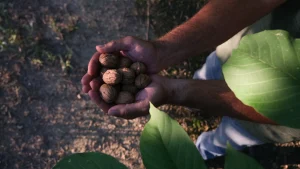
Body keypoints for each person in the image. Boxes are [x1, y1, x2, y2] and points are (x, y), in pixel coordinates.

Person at [81, 0, 300, 159]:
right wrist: (164, 50)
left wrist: (175, 91)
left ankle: (205, 154)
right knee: (219, 64)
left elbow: (292, 106)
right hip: (261, 38)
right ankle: (201, 92)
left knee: (234, 137)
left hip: (279, 117)